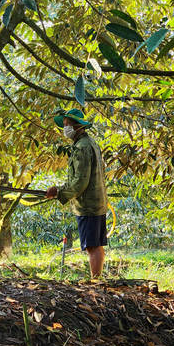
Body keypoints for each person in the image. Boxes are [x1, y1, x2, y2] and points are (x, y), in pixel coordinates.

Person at [45, 109, 108, 279]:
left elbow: (80, 182)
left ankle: (96, 282)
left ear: (78, 126)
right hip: (98, 202)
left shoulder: (81, 147)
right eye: (64, 125)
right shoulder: (90, 143)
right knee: (97, 244)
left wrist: (59, 192)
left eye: (68, 125)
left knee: (92, 246)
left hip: (88, 205)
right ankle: (98, 280)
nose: (65, 128)